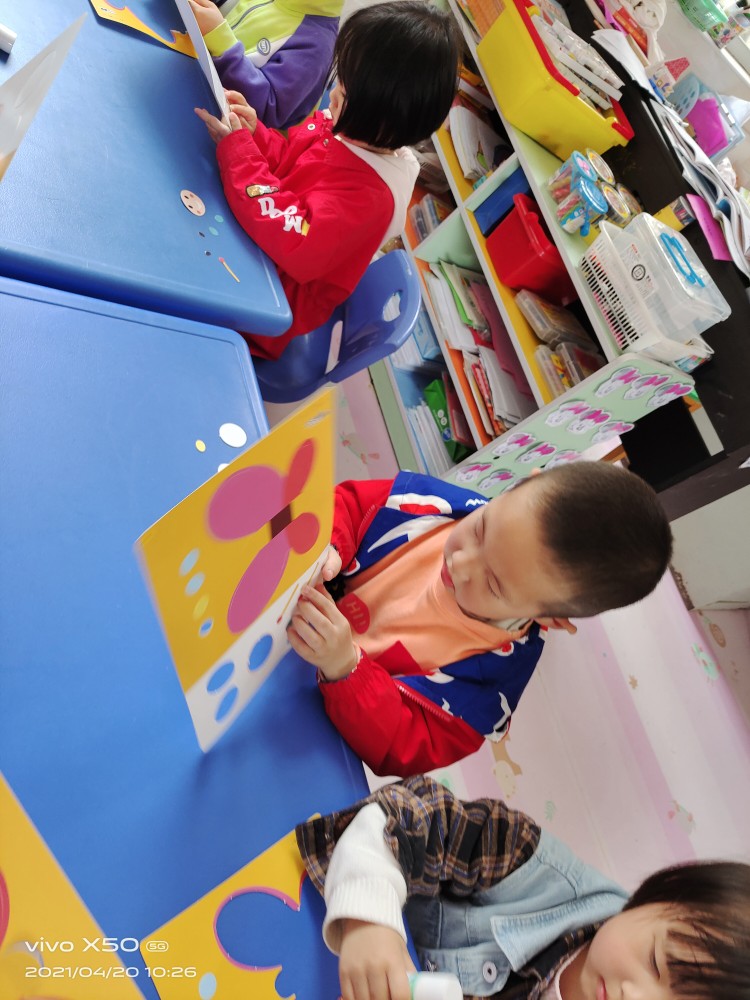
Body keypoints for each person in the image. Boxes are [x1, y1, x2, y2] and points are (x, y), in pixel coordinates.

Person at [286, 463, 673, 777]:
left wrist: (345, 668)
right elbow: (352, 505)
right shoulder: (433, 505)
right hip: (281, 610)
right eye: (481, 528)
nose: (460, 562)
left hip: (306, 709)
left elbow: (400, 747)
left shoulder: (483, 695)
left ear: (551, 618)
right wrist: (330, 544)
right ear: (520, 485)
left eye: (492, 583)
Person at [296, 773, 750, 1000]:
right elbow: (409, 812)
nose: (634, 997)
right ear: (654, 897)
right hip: (314, 940)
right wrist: (370, 921)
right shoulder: (528, 863)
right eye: (655, 962)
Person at [194, 1, 460, 360]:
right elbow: (288, 161)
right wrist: (255, 133)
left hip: (262, 303)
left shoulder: (370, 198)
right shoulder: (345, 126)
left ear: (384, 118)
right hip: (254, 248)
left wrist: (240, 154)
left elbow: (290, 234)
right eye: (341, 80)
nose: (333, 94)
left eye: (345, 93)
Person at [188, 0, 343, 130]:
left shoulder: (317, 47)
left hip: (218, 128)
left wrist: (219, 39)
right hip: (196, 77)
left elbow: (267, 111)